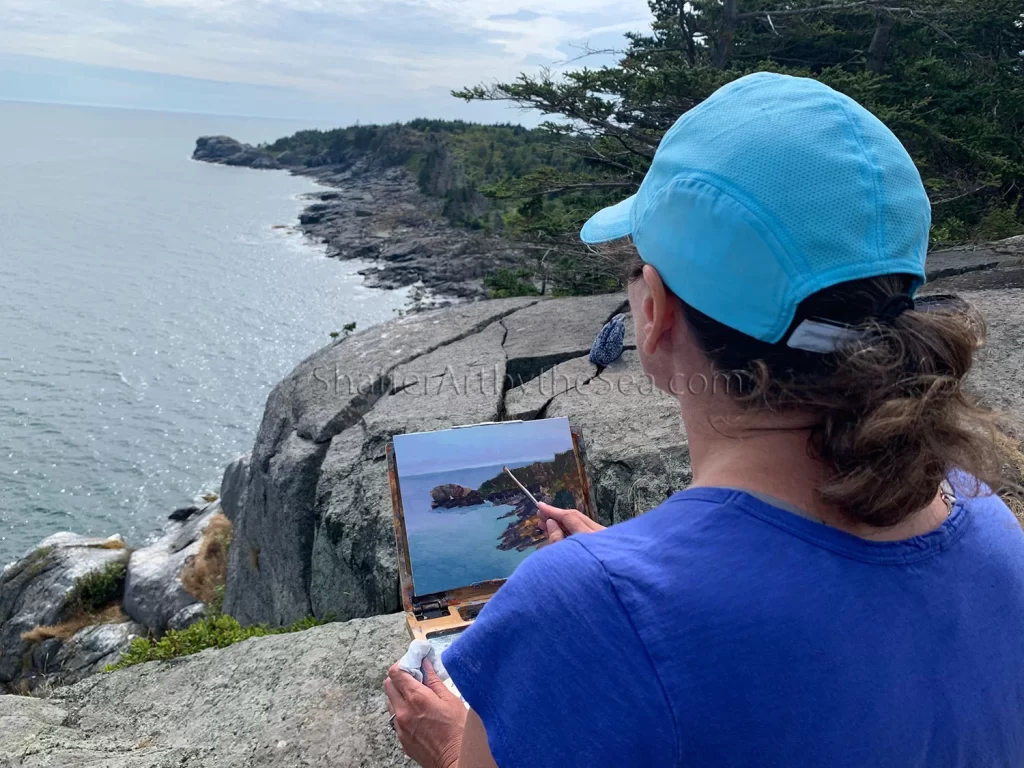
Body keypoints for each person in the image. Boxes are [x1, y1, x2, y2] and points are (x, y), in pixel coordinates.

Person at [382, 72, 1024, 767]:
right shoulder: (987, 519)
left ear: (654, 311)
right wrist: (630, 567)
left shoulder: (584, 612)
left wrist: (449, 749)